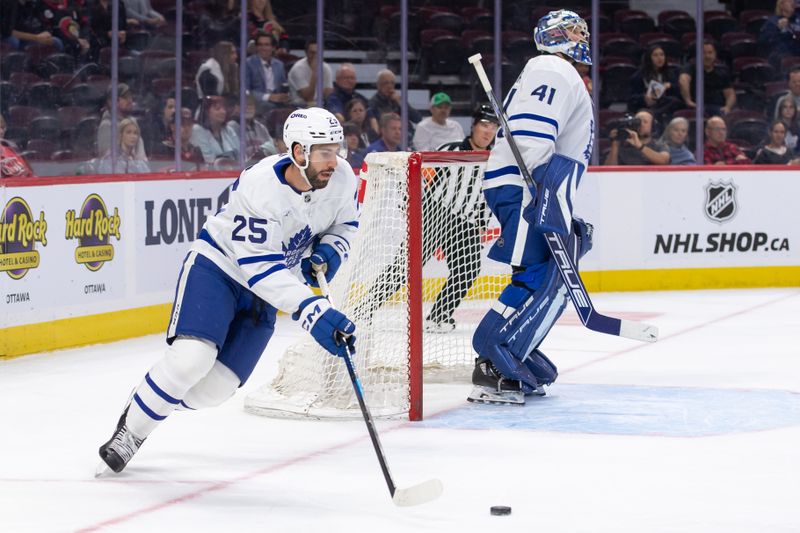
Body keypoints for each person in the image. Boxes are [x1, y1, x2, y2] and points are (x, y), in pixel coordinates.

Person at [96, 108, 360, 474]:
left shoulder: (342, 178)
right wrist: (312, 311)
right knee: (191, 360)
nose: (335, 160)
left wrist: (332, 249)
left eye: (337, 148)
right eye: (324, 152)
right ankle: (133, 430)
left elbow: (346, 223)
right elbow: (260, 269)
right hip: (218, 269)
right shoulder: (260, 186)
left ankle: (152, 398)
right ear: (299, 152)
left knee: (214, 391)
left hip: (268, 291)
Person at [469, 10, 595, 405]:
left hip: (536, 185)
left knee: (548, 274)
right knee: (539, 276)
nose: (582, 35)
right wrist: (544, 191)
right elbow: (529, 133)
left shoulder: (556, 71)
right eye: (575, 30)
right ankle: (492, 354)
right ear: (556, 35)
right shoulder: (551, 68)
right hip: (528, 185)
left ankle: (512, 345)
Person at [678, 41, 735, 117]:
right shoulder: (690, 67)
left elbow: (730, 94)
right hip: (696, 107)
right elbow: (683, 80)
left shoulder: (722, 71)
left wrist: (728, 107)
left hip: (717, 107)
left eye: (710, 53)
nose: (707, 56)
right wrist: (688, 101)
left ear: (715, 55)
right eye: (704, 53)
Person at [628, 45, 681, 123]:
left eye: (662, 55)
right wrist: (644, 98)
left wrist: (670, 86)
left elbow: (678, 92)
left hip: (664, 104)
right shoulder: (638, 76)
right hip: (646, 106)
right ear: (649, 58)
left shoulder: (670, 73)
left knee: (674, 101)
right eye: (655, 55)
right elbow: (631, 99)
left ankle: (654, 115)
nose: (660, 58)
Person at [97, 83, 147, 161]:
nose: (130, 100)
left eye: (130, 97)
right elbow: (106, 159)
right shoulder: (107, 125)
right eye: (125, 97)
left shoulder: (133, 122)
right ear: (112, 102)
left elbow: (140, 154)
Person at [245, 30, 289, 115]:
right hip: (259, 102)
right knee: (268, 106)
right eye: (260, 45)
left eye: (266, 45)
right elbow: (246, 91)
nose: (263, 48)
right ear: (256, 47)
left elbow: (284, 86)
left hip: (278, 102)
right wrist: (269, 97)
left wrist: (285, 96)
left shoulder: (279, 65)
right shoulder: (248, 63)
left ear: (273, 47)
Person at [604, 109, 670, 165]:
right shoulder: (623, 145)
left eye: (645, 122)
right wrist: (615, 144)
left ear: (652, 126)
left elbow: (664, 161)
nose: (640, 124)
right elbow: (608, 171)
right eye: (638, 121)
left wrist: (640, 146)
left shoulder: (659, 145)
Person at [367, 69, 422, 134]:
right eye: (386, 83)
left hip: (407, 135)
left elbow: (418, 119)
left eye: (392, 83)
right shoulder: (373, 103)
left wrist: (401, 103)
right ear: (378, 85)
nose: (390, 86)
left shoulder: (398, 100)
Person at [227, 94, 277, 163]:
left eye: (251, 105)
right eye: (245, 105)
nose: (249, 108)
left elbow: (271, 147)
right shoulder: (231, 127)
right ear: (237, 108)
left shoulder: (261, 127)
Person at [191, 96, 240, 164]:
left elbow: (240, 154)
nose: (223, 112)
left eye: (224, 109)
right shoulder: (197, 130)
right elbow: (208, 160)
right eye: (217, 108)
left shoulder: (229, 129)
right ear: (206, 111)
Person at [288, 39, 334, 107]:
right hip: (299, 106)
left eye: (318, 53)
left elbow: (329, 93)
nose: (315, 56)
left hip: (320, 105)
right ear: (306, 53)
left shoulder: (326, 68)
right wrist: (315, 71)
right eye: (312, 53)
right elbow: (309, 98)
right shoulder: (297, 69)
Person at [758, 0, 800, 69]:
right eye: (789, 1)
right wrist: (779, 29)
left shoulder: (797, 20)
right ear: (781, 5)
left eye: (793, 1)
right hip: (781, 57)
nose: (793, 3)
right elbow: (763, 41)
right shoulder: (772, 22)